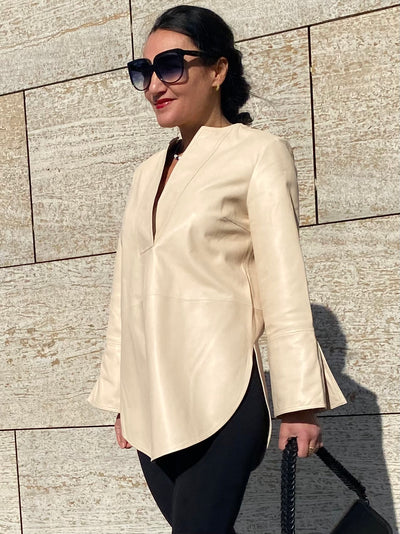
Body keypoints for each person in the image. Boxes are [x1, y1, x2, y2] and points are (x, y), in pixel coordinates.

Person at [88, 5, 346, 533]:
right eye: (143, 71)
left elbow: (283, 284)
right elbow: (126, 294)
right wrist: (120, 394)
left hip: (221, 397)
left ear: (218, 69)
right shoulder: (145, 175)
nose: (154, 85)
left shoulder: (257, 153)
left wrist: (298, 403)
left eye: (170, 66)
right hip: (150, 403)